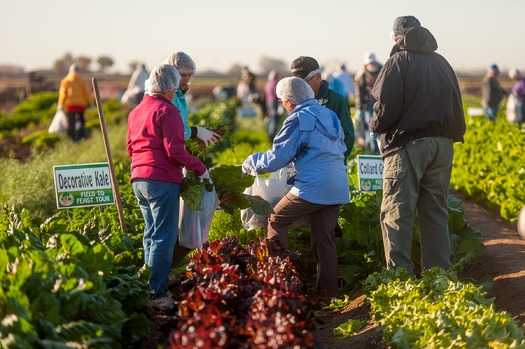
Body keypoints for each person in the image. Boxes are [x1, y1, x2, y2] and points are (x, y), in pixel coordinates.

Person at [369, 15, 466, 274]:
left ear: (397, 37)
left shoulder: (397, 62)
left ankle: (400, 280)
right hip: (443, 145)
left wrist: (373, 126)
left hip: (408, 144)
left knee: (397, 211)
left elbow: (385, 110)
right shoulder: (442, 62)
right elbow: (457, 104)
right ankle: (438, 276)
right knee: (435, 212)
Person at [242, 77, 350, 300]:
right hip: (338, 185)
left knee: (275, 220)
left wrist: (251, 162)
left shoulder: (299, 118)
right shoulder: (329, 115)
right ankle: (329, 295)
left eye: (282, 101)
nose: (282, 105)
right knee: (324, 239)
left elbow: (277, 158)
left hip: (313, 186)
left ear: (289, 101)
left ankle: (278, 285)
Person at [127, 64, 209, 312]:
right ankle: (157, 293)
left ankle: (150, 282)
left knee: (151, 233)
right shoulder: (168, 110)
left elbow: (131, 148)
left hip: (139, 180)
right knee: (164, 236)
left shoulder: (136, 111)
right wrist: (200, 167)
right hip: (161, 180)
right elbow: (175, 151)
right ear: (171, 87)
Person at [145, 52, 220, 146]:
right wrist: (195, 132)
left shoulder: (179, 94)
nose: (187, 79)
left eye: (189, 75)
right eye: (182, 75)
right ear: (170, 74)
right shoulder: (167, 96)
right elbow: (173, 130)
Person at [291, 56, 355, 162]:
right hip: (304, 167)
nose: (301, 87)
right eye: (297, 83)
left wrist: (334, 161)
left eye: (305, 82)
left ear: (318, 76)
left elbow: (348, 137)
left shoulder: (337, 101)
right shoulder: (296, 102)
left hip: (330, 167)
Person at [354, 52, 383, 152]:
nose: (372, 66)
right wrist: (359, 109)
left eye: (373, 63)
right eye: (369, 64)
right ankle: (372, 150)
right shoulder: (362, 75)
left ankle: (380, 149)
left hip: (382, 105)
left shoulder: (382, 71)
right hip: (369, 106)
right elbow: (359, 94)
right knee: (369, 129)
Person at [57, 64, 93, 142]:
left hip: (70, 106)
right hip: (81, 105)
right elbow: (87, 93)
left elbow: (63, 93)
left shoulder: (65, 80)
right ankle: (81, 137)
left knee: (71, 123)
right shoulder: (82, 80)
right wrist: (91, 103)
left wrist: (60, 104)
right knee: (81, 122)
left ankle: (72, 139)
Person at [264, 70, 282, 140]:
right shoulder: (276, 83)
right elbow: (277, 93)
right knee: (275, 119)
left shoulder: (268, 83)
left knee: (271, 117)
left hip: (269, 102)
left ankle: (269, 133)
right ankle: (272, 134)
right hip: (275, 102)